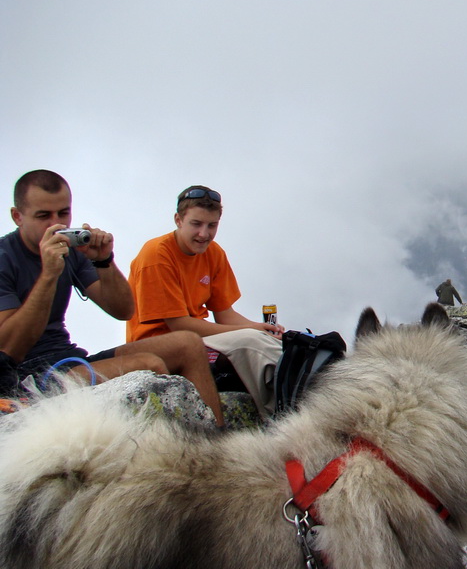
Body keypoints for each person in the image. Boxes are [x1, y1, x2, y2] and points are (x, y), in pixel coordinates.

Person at [0, 170, 224, 426]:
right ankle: (171, 455)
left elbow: (123, 310)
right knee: (148, 365)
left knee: (189, 344)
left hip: (70, 359)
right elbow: (8, 350)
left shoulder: (69, 250)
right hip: (29, 376)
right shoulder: (4, 259)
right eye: (43, 216)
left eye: (63, 213)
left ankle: (216, 446)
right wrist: (49, 275)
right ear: (17, 216)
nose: (56, 224)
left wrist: (103, 260)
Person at [126, 185, 284, 416]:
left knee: (269, 343)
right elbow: (179, 325)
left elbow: (224, 312)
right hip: (158, 345)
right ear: (178, 220)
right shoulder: (157, 255)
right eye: (196, 224)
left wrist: (260, 328)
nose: (204, 234)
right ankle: (273, 414)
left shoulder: (214, 253)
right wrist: (247, 333)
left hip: (198, 339)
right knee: (248, 348)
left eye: (212, 225)